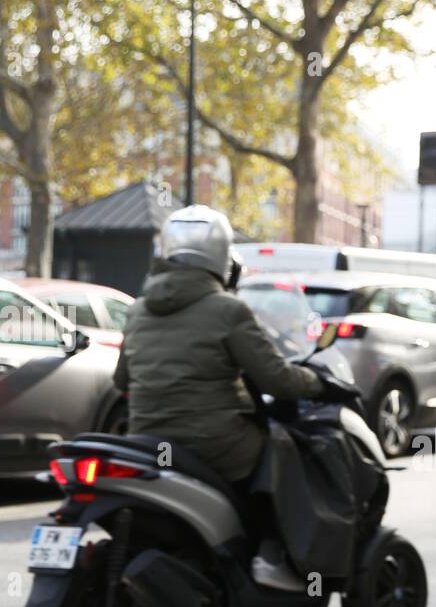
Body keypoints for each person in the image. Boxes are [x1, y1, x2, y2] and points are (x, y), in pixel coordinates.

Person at [113, 204, 323, 496]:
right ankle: (268, 538)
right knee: (283, 447)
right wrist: (318, 382)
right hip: (212, 445)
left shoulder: (137, 311)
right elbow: (276, 380)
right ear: (226, 262)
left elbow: (121, 381)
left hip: (148, 444)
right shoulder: (229, 310)